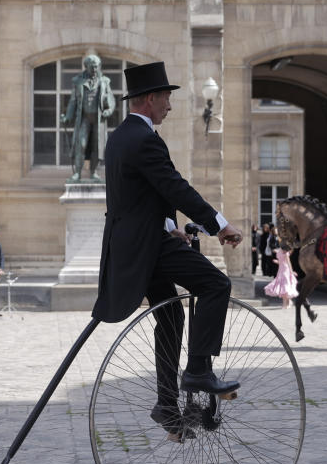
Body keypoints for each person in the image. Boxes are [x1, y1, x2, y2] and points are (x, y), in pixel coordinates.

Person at [92, 62, 243, 439]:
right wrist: (218, 224)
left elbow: (140, 198)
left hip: (139, 244)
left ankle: (166, 406)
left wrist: (171, 226)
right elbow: (175, 188)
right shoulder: (144, 139)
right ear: (149, 99)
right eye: (166, 98)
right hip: (148, 248)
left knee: (172, 318)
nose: (169, 107)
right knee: (216, 285)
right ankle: (197, 370)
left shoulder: (120, 137)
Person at [60, 54, 116, 182]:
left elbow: (111, 100)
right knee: (81, 144)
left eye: (96, 67)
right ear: (86, 67)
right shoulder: (78, 81)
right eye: (92, 67)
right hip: (84, 118)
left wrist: (108, 110)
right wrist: (67, 117)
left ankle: (93, 172)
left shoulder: (104, 81)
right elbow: (73, 101)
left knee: (97, 146)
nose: (95, 70)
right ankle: (77, 173)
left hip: (98, 119)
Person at [264, 243, 299, 308]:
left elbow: (285, 263)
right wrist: (292, 272)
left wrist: (291, 272)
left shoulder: (280, 252)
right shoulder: (284, 253)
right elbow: (288, 263)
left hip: (283, 270)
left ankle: (286, 303)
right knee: (285, 286)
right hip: (283, 270)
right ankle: (287, 303)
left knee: (285, 286)